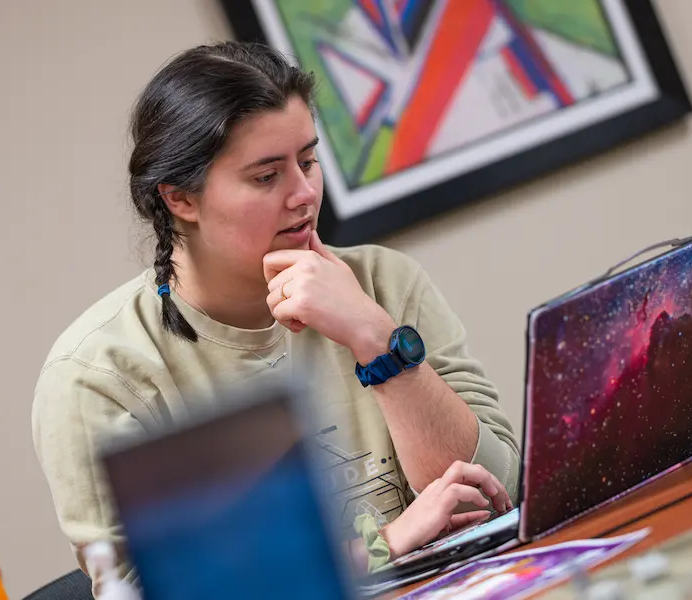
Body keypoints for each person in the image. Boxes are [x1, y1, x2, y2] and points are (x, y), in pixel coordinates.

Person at [31, 41, 521, 592]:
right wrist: (384, 545)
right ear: (179, 200)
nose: (305, 193)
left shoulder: (385, 283)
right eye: (267, 177)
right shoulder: (98, 375)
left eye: (307, 161)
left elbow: (496, 493)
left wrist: (374, 337)